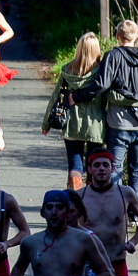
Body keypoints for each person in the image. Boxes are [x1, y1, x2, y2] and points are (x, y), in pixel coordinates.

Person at [68, 20, 138, 202]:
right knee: (136, 171)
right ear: (136, 37)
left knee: (115, 170)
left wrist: (77, 97)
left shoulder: (112, 56)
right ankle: (135, 214)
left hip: (118, 125)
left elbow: (100, 86)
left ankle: (116, 211)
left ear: (117, 36)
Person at [42, 32, 107, 189]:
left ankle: (75, 200)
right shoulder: (101, 73)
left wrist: (46, 123)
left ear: (78, 49)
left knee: (74, 163)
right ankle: (92, 197)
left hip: (72, 123)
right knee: (94, 162)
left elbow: (55, 97)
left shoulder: (67, 70)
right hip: (96, 124)